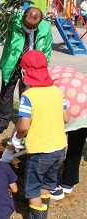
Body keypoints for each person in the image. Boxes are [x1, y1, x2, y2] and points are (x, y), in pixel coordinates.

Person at [11, 50, 69, 218]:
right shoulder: (57, 92)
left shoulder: (28, 96)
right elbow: (65, 118)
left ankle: (38, 216)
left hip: (40, 151)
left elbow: (23, 126)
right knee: (47, 183)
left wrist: (16, 139)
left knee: (33, 189)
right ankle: (44, 210)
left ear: (25, 71)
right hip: (59, 149)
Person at [0, 7, 52, 135]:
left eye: (32, 27)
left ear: (40, 22)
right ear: (22, 17)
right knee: (6, 91)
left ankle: (28, 120)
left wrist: (43, 65)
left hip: (33, 65)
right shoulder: (13, 21)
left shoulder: (46, 27)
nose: (29, 28)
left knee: (31, 93)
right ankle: (2, 122)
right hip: (14, 62)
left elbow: (47, 48)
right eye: (26, 25)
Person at [47, 66, 87, 200]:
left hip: (72, 107)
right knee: (76, 146)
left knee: (54, 144)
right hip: (85, 107)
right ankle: (69, 183)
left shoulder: (39, 80)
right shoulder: (59, 70)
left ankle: (53, 183)